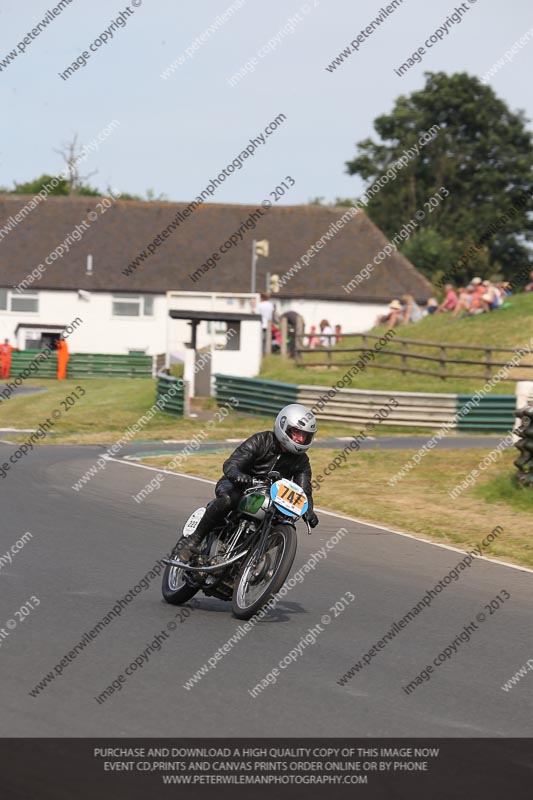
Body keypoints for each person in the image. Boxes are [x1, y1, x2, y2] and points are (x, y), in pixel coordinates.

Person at [173, 404, 319, 561]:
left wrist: (308, 510)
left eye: (305, 435)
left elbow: (304, 491)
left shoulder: (302, 461)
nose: (301, 439)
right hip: (238, 485)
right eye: (297, 433)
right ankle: (193, 540)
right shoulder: (261, 440)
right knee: (229, 499)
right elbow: (232, 463)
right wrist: (238, 476)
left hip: (270, 497)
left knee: (280, 520)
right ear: (284, 426)